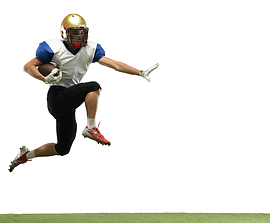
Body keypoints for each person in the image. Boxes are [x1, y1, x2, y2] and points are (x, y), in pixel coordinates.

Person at [8, 14, 159, 172]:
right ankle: (91, 128)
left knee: (63, 148)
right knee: (93, 86)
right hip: (57, 96)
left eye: (82, 33)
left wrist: (140, 72)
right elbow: (28, 66)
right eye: (75, 33)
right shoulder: (54, 47)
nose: (80, 37)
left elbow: (115, 64)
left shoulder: (90, 49)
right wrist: (43, 79)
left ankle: (25, 155)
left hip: (69, 101)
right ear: (65, 33)